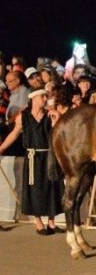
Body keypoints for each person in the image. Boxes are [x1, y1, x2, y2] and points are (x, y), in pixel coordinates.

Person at [0, 89, 64, 235]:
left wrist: (56, 122)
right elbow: (15, 133)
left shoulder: (50, 115)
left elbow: (58, 136)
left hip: (48, 155)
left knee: (52, 187)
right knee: (35, 189)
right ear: (34, 98)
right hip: (33, 157)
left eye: (46, 96)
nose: (45, 99)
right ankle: (38, 221)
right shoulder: (23, 117)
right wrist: (2, 148)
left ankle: (52, 223)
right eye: (42, 96)